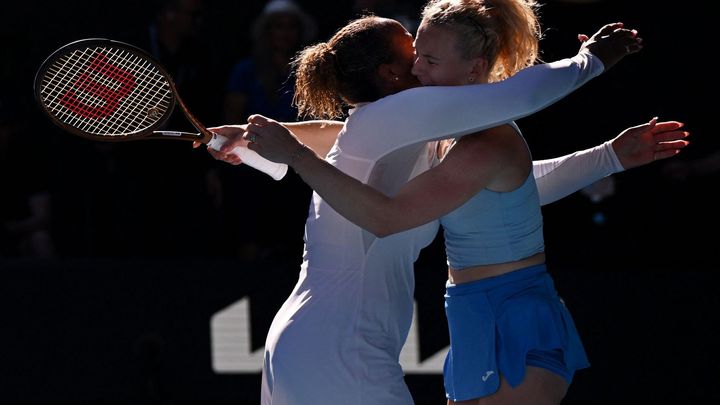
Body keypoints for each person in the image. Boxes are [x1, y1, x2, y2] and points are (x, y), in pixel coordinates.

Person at [206, 8, 644, 404]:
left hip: (300, 347)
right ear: (392, 75)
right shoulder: (396, 116)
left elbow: (509, 189)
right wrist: (592, 60)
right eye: (413, 51)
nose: (419, 59)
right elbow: (521, 97)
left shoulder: (383, 132)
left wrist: (607, 157)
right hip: (342, 352)